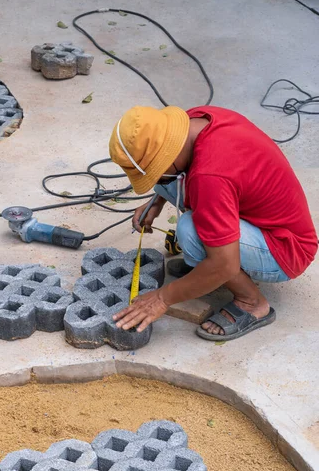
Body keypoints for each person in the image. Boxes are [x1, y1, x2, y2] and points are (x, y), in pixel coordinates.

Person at [108, 105, 317, 341]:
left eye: (155, 172)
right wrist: (156, 202)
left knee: (191, 231)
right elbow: (178, 172)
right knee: (181, 183)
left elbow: (225, 265)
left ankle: (252, 302)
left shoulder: (209, 177)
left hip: (286, 249)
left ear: (169, 154)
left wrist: (162, 298)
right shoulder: (193, 121)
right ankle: (205, 269)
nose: (156, 178)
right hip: (258, 216)